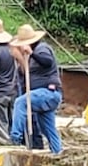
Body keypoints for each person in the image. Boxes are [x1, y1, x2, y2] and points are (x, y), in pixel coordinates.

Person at [10, 23, 63, 154]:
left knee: (20, 102)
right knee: (47, 128)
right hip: (39, 96)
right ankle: (57, 152)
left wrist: (31, 53)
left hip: (48, 93)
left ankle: (15, 137)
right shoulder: (29, 56)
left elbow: (47, 61)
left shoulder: (42, 48)